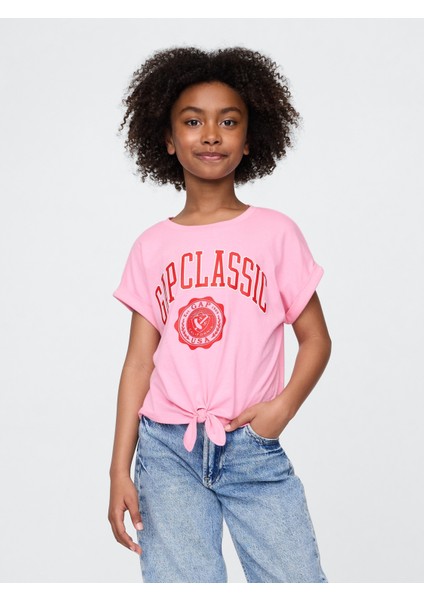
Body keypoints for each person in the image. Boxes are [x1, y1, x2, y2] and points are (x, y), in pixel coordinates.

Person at [108, 46, 332, 583]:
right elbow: (139, 362)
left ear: (250, 138)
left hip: (250, 445)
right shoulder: (151, 246)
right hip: (167, 450)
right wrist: (119, 468)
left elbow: (316, 339)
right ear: (167, 138)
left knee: (295, 581)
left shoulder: (276, 233)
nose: (211, 134)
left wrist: (280, 410)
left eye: (228, 122)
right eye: (193, 121)